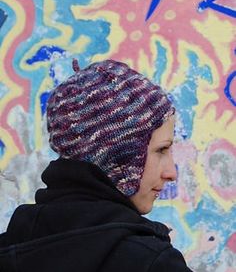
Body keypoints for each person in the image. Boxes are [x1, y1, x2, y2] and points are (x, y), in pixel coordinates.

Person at [0, 59, 193, 271]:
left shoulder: (14, 246)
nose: (171, 173)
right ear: (119, 158)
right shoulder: (151, 262)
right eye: (161, 150)